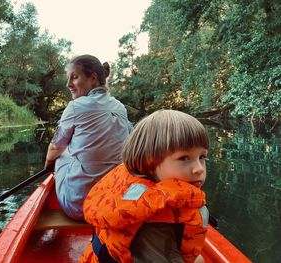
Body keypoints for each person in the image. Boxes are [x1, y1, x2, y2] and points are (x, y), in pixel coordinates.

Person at [80, 110, 210, 263]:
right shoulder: (153, 221)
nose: (199, 168)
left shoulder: (133, 188)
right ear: (149, 163)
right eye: (184, 158)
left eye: (202, 157)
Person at [44, 54, 133, 221]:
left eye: (74, 77)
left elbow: (55, 148)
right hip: (112, 204)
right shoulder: (120, 107)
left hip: (79, 208)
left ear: (93, 78)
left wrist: (48, 166)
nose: (68, 84)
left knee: (62, 152)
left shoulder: (75, 106)